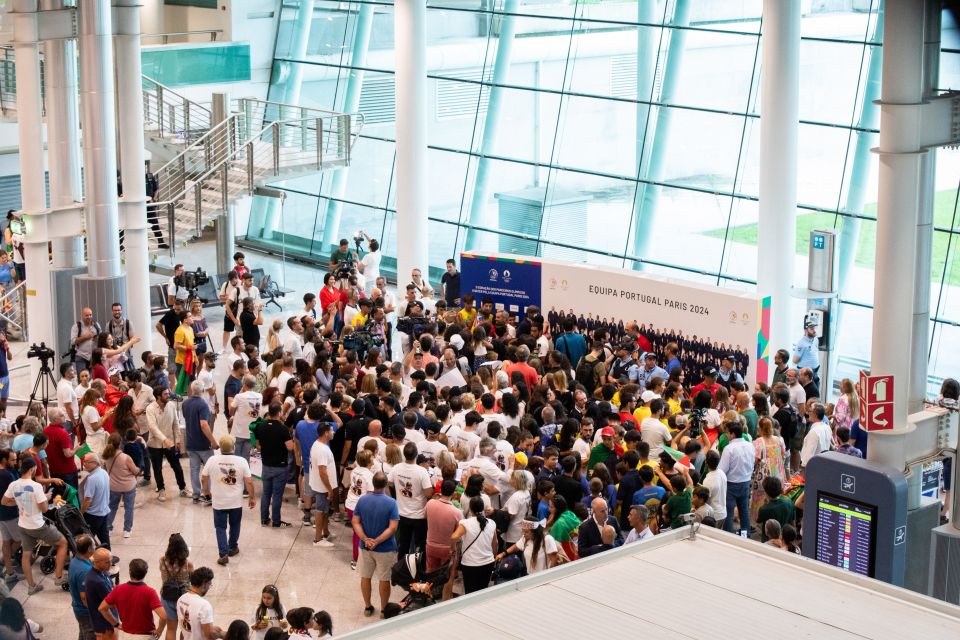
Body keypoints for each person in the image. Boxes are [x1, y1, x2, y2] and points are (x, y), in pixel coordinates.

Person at [201, 436, 255, 566]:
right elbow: (249, 481)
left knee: (220, 527)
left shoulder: (212, 460)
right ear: (234, 447)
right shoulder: (241, 461)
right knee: (235, 524)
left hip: (219, 502)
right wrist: (252, 497)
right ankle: (232, 547)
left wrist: (207, 492)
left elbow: (204, 478)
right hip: (235, 501)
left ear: (220, 448)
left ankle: (223, 554)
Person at [352, 471, 399, 617]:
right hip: (385, 549)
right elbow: (392, 527)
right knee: (384, 579)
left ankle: (367, 607)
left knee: (365, 577)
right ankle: (384, 609)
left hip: (365, 547)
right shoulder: (391, 503)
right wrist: (377, 541)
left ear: (373, 482)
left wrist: (366, 539)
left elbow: (355, 522)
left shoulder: (362, 500)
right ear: (385, 484)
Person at [387, 442, 434, 559]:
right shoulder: (421, 471)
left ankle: (401, 569)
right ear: (417, 455)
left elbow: (388, 482)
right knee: (420, 546)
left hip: (401, 513)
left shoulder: (396, 468)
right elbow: (428, 493)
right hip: (419, 515)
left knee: (403, 544)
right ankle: (417, 570)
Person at [98, 558, 166, 638]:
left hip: (127, 634)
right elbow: (163, 616)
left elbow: (102, 608)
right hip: (146, 635)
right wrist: (159, 631)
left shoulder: (118, 589)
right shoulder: (150, 592)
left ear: (130, 572)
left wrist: (116, 624)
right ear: (145, 573)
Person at [251, 403, 293, 528]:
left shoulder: (260, 427)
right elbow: (290, 447)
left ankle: (264, 519)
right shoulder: (283, 429)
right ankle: (276, 520)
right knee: (277, 495)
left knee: (266, 493)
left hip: (266, 465)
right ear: (280, 413)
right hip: (280, 466)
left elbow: (258, 446)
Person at [146, 386, 187, 501]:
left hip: (170, 443)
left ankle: (183, 488)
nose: (168, 396)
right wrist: (164, 439)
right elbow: (153, 427)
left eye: (168, 393)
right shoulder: (150, 409)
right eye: (165, 394)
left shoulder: (171, 406)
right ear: (158, 396)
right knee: (157, 468)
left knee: (177, 467)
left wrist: (178, 440)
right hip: (155, 444)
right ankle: (161, 490)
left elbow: (175, 424)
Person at [450, 496, 498, 594]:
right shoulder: (491, 523)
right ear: (483, 508)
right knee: (483, 591)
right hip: (488, 562)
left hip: (470, 564)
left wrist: (453, 549)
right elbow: (495, 543)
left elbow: (454, 537)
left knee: (470, 592)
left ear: (470, 508)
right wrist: (494, 555)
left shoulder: (465, 523)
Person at [184, 380, 219, 504]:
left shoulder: (186, 403)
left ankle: (196, 494)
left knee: (194, 469)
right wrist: (213, 441)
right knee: (208, 469)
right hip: (203, 444)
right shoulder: (203, 404)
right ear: (203, 391)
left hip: (190, 442)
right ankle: (207, 494)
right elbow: (203, 424)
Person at [718, 420, 754, 536]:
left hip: (731, 484)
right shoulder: (750, 446)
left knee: (729, 512)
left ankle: (729, 536)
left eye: (727, 433)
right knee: (744, 511)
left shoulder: (729, 449)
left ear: (732, 434)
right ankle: (746, 534)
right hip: (746, 482)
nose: (726, 435)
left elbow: (722, 469)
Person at [103, 433, 139, 539]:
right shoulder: (125, 458)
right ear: (120, 444)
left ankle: (108, 528)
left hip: (113, 487)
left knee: (112, 507)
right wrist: (138, 469)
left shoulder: (106, 457)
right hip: (128, 486)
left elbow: (106, 471)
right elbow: (135, 471)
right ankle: (127, 530)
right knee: (129, 508)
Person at [159, 534, 193, 640]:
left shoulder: (162, 560)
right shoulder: (188, 563)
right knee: (185, 629)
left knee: (171, 629)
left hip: (167, 596)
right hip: (185, 599)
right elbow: (193, 581)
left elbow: (164, 579)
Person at [309, 423, 337, 547]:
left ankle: (325, 533)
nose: (333, 432)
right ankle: (317, 539)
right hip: (322, 487)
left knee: (325, 510)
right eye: (332, 431)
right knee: (320, 511)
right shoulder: (322, 449)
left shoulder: (318, 444)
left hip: (322, 485)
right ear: (326, 433)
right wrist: (329, 489)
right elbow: (322, 471)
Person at [177, 567, 223, 640]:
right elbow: (209, 636)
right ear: (204, 584)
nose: (209, 588)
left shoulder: (181, 599)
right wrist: (221, 634)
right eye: (209, 584)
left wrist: (210, 627)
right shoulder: (204, 605)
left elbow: (184, 630)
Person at [80, 452, 113, 549]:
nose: (84, 463)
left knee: (86, 541)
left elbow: (88, 500)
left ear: (95, 463)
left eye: (86, 461)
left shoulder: (92, 478)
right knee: (104, 537)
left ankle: (81, 560)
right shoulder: (104, 473)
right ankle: (108, 557)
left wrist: (81, 513)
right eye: (84, 461)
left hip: (93, 514)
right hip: (103, 511)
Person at [84, 547, 116, 639]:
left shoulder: (102, 572)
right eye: (107, 562)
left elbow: (111, 586)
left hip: (106, 619)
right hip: (104, 623)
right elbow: (111, 604)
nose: (110, 564)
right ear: (97, 562)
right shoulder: (97, 581)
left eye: (110, 561)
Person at [68, 534, 96, 640]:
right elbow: (84, 598)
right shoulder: (84, 571)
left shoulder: (76, 559)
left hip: (78, 608)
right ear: (89, 549)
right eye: (94, 545)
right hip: (86, 612)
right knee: (90, 635)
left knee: (83, 633)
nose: (95, 547)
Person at [43, 407, 79, 488]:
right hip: (67, 471)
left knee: (58, 497)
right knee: (71, 498)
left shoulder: (45, 430)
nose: (65, 416)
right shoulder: (62, 433)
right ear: (56, 419)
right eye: (62, 415)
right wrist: (77, 448)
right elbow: (68, 454)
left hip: (54, 470)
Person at [800, 403, 832, 470]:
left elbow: (808, 455)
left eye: (810, 411)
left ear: (815, 414)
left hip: (812, 468)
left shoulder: (814, 432)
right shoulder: (827, 427)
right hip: (822, 464)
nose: (807, 413)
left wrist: (802, 469)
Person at [71, 307, 102, 374]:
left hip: (94, 357)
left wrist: (97, 338)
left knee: (94, 379)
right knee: (83, 379)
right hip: (81, 356)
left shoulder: (96, 325)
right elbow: (73, 341)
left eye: (90, 315)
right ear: (82, 315)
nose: (89, 317)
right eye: (87, 315)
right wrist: (85, 337)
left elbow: (101, 339)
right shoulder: (76, 326)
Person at [219, 270, 241, 354]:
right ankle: (223, 347)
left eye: (235, 280)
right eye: (231, 281)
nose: (233, 282)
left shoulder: (241, 284)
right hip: (229, 308)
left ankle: (238, 347)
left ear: (237, 278)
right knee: (227, 329)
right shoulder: (226, 284)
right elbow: (221, 297)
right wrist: (229, 298)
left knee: (239, 329)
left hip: (239, 308)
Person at [792, 321, 820, 386]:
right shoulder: (801, 344)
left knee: (815, 393)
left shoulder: (816, 339)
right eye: (812, 329)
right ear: (806, 330)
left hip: (815, 372)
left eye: (815, 328)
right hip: (805, 375)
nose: (815, 331)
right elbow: (795, 360)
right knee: (807, 393)